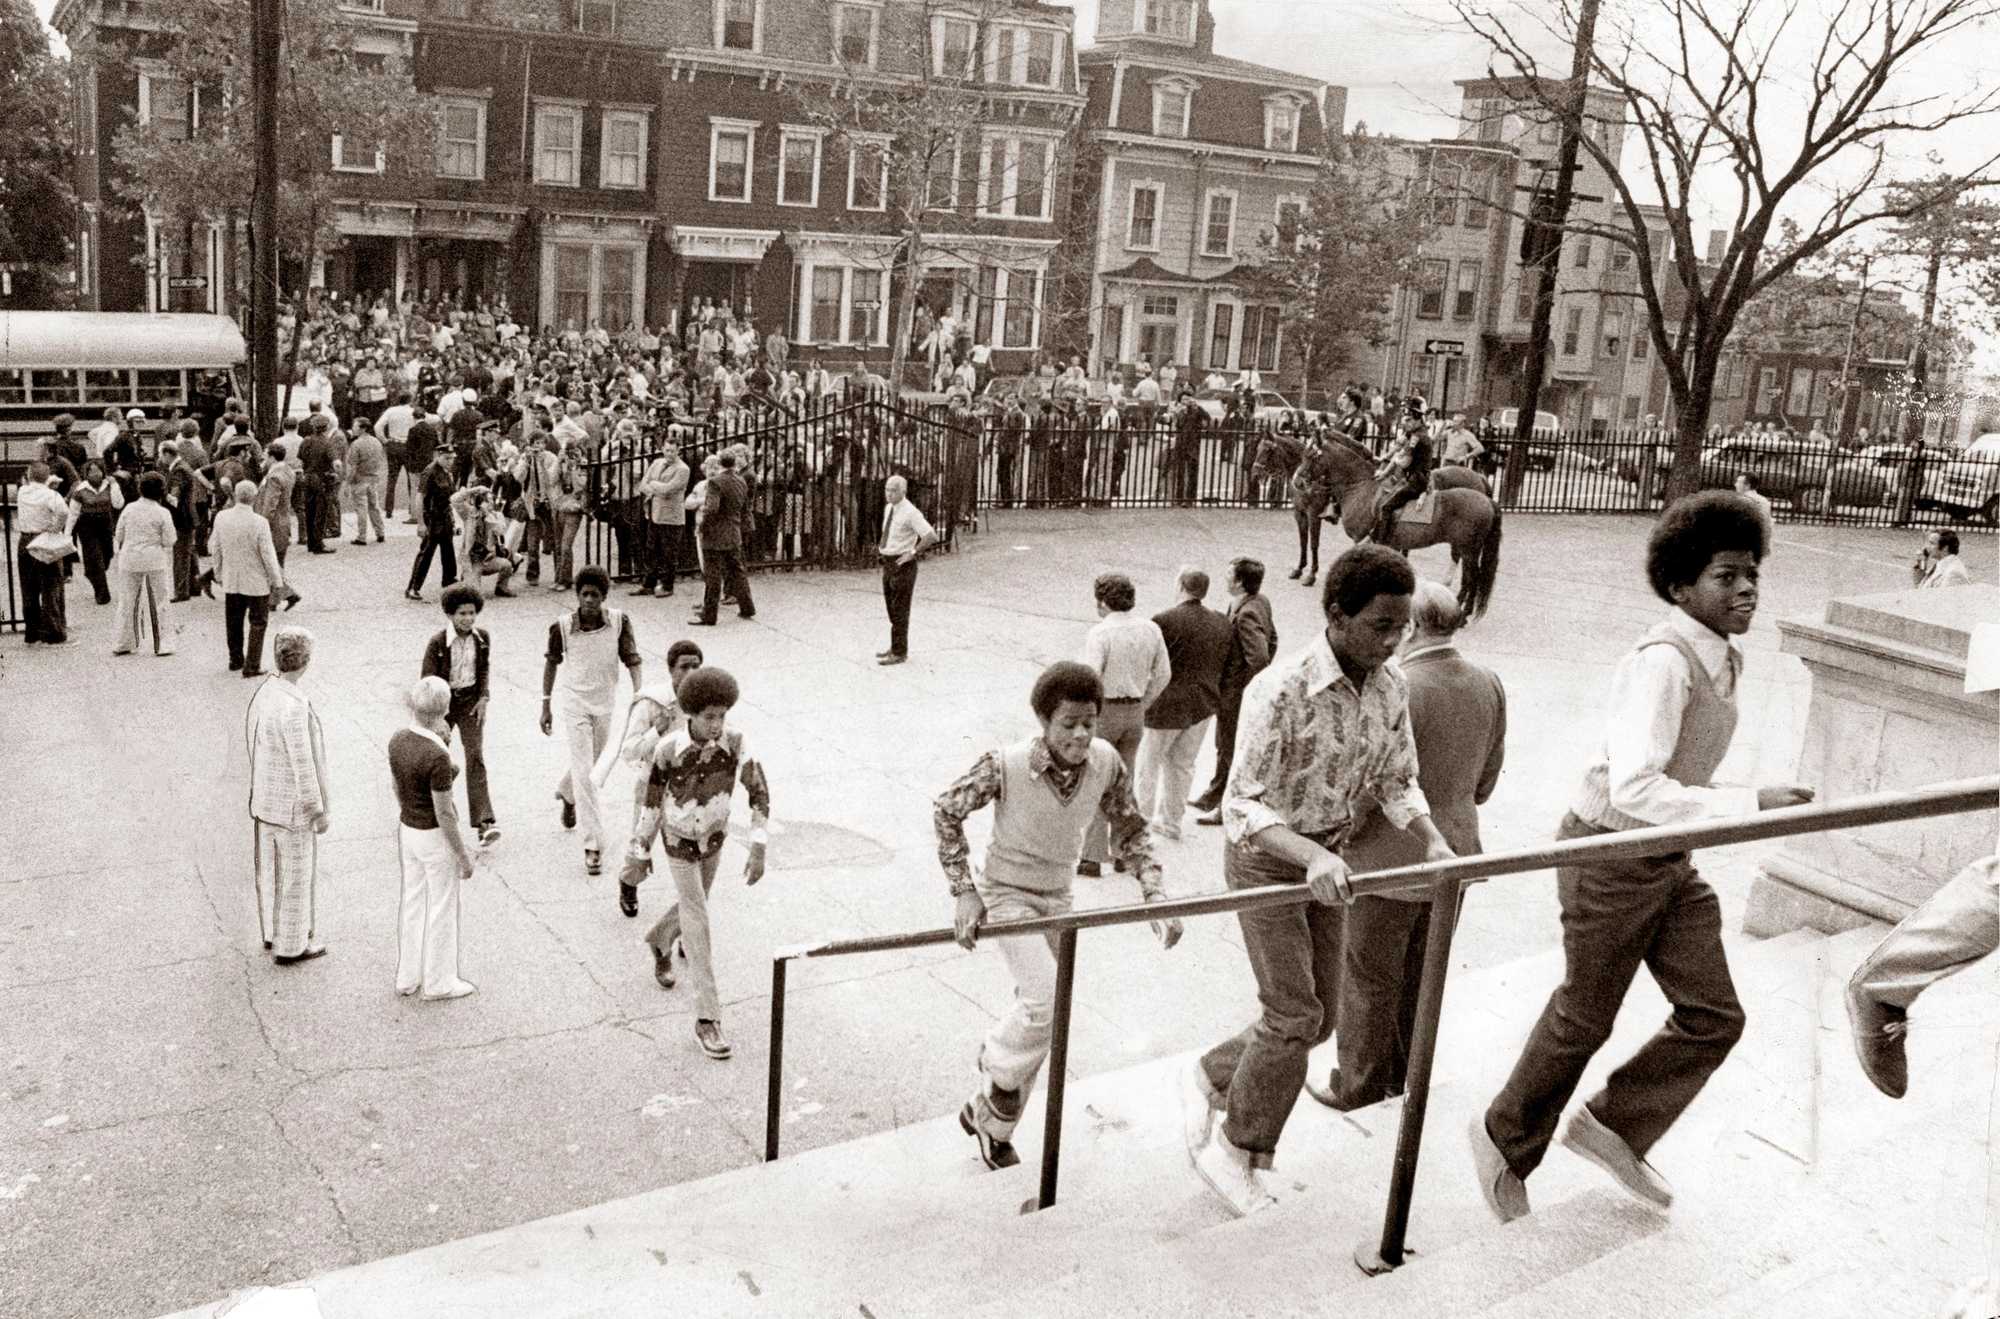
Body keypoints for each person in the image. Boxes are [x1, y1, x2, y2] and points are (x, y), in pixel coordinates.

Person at [1472, 493, 1815, 1224]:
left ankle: (1614, 1125)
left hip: (1663, 855)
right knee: (1585, 1014)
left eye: (1752, 574)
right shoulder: (1664, 661)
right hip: (1610, 855)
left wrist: (1748, 797)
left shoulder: (1721, 657)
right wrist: (1751, 803)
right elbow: (1634, 784)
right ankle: (1502, 1138)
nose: (1747, 588)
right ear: (1682, 586)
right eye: (1727, 576)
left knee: (1714, 1013)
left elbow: (1674, 780)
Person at [1183, 546, 1456, 1216]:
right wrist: (1308, 855)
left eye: (1402, 629)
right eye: (1380, 626)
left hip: (1330, 859)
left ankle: (1218, 1073)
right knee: (1294, 1012)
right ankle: (1236, 1148)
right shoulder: (1279, 689)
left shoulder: (1392, 686)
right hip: (1267, 857)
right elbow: (1241, 806)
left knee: (1324, 1016)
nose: (1393, 642)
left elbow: (1398, 779)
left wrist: (1433, 838)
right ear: (1336, 615)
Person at [935, 661, 1184, 1170]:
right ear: (1044, 722)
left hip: (1057, 898)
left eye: (1089, 722)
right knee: (1046, 1001)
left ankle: (992, 1124)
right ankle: (995, 1061)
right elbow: (946, 810)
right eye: (1067, 723)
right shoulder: (1004, 764)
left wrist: (1154, 893)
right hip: (1006, 894)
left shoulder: (1106, 762)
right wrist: (964, 891)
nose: (1080, 734)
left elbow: (1131, 829)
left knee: (1049, 1013)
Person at [1307, 580, 1506, 1111]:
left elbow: (1371, 782)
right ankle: (1403, 1077)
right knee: (1423, 977)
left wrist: (1339, 833)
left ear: (1412, 625)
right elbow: (1487, 780)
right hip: (1456, 854)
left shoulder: (1396, 687)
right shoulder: (1488, 682)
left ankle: (1357, 1084)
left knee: (1368, 979)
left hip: (1387, 860)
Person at [623, 666, 771, 1061]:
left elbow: (759, 792)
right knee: (698, 920)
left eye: (722, 715)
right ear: (689, 714)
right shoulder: (668, 750)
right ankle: (707, 1018)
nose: (717, 724)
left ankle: (659, 938)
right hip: (678, 841)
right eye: (709, 717)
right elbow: (651, 803)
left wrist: (758, 846)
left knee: (696, 907)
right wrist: (639, 853)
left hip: (715, 841)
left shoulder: (737, 743)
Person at [543, 566, 644, 876]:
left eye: (595, 595)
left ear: (603, 597)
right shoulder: (561, 627)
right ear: (577, 596)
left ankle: (567, 791)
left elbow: (632, 660)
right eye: (584, 594)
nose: (589, 600)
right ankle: (593, 845)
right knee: (587, 773)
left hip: (605, 704)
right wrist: (545, 704)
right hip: (575, 704)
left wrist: (641, 696)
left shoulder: (619, 622)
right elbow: (551, 664)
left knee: (596, 762)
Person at [390, 675, 480, 1001]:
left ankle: (407, 975)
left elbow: (398, 788)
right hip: (432, 835)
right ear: (443, 711)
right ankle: (440, 981)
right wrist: (463, 856)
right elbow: (446, 813)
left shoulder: (398, 740)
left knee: (412, 902)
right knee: (442, 907)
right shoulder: (437, 756)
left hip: (408, 829)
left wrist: (409, 813)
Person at [246, 627, 331, 965]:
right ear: (306, 661)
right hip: (292, 807)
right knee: (296, 875)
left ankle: (270, 932)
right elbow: (304, 762)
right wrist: (318, 809)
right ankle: (292, 944)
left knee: (268, 870)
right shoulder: (295, 705)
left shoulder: (265, 692)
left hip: (265, 799)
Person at [605, 638, 705, 920]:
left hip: (690, 790)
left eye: (696, 666)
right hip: (653, 788)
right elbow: (629, 751)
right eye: (684, 666)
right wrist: (656, 731)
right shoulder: (652, 703)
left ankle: (688, 920)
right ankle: (629, 881)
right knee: (641, 845)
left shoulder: (703, 702)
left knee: (691, 855)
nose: (691, 672)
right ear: (671, 669)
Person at [1077, 573, 1170, 876]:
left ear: (1103, 602)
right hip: (1134, 711)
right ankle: (1123, 850)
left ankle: (1092, 855)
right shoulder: (1151, 629)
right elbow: (1163, 673)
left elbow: (1090, 678)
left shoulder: (1100, 634)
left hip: (1106, 712)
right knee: (1124, 783)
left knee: (1096, 778)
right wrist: (1143, 703)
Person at [1133, 567, 1233, 841]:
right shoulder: (1222, 622)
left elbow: (1150, 664)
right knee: (1183, 765)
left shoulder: (1163, 620)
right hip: (1202, 704)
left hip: (1165, 706)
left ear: (1180, 586)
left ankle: (1141, 824)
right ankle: (1171, 822)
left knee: (1148, 765)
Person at [1191, 557, 1277, 824]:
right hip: (1234, 690)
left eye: (1229, 575)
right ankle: (1213, 794)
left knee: (1229, 747)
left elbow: (1259, 657)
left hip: (1235, 693)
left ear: (1239, 582)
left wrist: (1243, 687)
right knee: (1224, 743)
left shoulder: (1247, 611)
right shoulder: (1259, 601)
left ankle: (1224, 806)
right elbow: (1272, 639)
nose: (1225, 578)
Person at [421, 584, 501, 847]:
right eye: (462, 614)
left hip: (470, 703)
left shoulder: (483, 638)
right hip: (443, 706)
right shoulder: (437, 643)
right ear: (450, 615)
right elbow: (428, 680)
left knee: (475, 756)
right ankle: (431, 814)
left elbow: (484, 669)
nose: (468, 618)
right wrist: (437, 717)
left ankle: (484, 823)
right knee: (438, 759)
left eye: (472, 613)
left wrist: (484, 697)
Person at [210, 480, 288, 677]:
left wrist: (218, 573)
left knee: (233, 621)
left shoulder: (221, 518)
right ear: (254, 498)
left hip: (232, 578)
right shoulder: (259, 522)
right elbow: (268, 555)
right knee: (258, 622)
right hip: (256, 581)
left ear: (236, 495)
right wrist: (276, 581)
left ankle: (235, 659)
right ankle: (252, 665)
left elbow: (215, 548)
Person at [112, 471, 179, 657]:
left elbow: (118, 535)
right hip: (154, 559)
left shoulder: (128, 509)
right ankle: (163, 644)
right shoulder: (162, 512)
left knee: (127, 600)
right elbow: (169, 540)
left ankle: (123, 642)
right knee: (160, 601)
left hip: (129, 559)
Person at [877, 474, 939, 666]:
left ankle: (899, 651)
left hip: (902, 563)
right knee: (891, 607)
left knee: (900, 609)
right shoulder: (889, 508)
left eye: (893, 490)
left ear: (903, 491)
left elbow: (930, 535)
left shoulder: (911, 512)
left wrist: (913, 552)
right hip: (888, 561)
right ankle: (895, 645)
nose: (889, 493)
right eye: (887, 489)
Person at [690, 451, 756, 626]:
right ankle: (747, 606)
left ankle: (709, 614)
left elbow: (712, 508)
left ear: (719, 463)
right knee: (737, 571)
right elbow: (743, 507)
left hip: (715, 534)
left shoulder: (715, 482)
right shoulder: (740, 480)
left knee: (713, 575)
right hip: (733, 532)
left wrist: (703, 526)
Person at [15, 463, 72, 646]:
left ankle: (32, 631)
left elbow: (29, 483)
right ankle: (53, 631)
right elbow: (63, 511)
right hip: (44, 537)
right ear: (47, 477)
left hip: (25, 540)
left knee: (29, 587)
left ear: (29, 475)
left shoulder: (22, 492)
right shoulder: (51, 495)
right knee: (51, 584)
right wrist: (55, 528)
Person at [632, 432, 689, 598]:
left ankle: (667, 585)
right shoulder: (656, 463)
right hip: (655, 514)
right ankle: (649, 583)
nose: (669, 454)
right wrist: (656, 488)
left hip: (671, 517)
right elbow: (643, 484)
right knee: (651, 550)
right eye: (666, 450)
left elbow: (668, 490)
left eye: (672, 451)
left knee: (669, 553)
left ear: (679, 451)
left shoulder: (683, 469)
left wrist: (654, 485)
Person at [1370, 399, 1435, 542]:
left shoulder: (1417, 437)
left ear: (1418, 419)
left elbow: (1405, 462)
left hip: (1416, 481)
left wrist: (1391, 464)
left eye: (1409, 419)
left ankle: (1381, 542)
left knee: (1386, 507)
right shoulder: (1414, 432)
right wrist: (1386, 463)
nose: (1405, 422)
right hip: (1412, 477)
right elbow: (1397, 449)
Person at [406, 442, 459, 602]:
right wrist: (421, 523)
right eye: (446, 458)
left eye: (452, 458)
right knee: (426, 553)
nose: (450, 461)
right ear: (438, 456)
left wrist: (453, 519)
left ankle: (449, 580)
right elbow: (420, 497)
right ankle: (413, 587)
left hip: (445, 517)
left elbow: (450, 497)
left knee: (448, 552)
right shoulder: (429, 472)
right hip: (432, 518)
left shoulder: (447, 472)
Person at [68, 459, 123, 608]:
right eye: (91, 471)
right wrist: (68, 534)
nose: (95, 474)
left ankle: (91, 572)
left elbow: (118, 504)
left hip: (105, 526)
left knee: (108, 555)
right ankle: (102, 594)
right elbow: (73, 514)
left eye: (98, 470)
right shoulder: (80, 489)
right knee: (95, 558)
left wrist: (115, 485)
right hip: (86, 527)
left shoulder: (109, 486)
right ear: (86, 474)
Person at [297, 416, 340, 555]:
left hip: (307, 478)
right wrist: (336, 473)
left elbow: (301, 458)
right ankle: (318, 543)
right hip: (321, 479)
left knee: (309, 511)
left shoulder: (306, 441)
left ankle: (310, 542)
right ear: (326, 427)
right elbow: (335, 462)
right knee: (321, 512)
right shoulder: (327, 443)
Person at [344, 418, 388, 545]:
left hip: (360, 479)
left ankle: (362, 536)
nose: (353, 428)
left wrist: (347, 483)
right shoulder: (377, 442)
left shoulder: (356, 444)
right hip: (373, 478)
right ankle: (380, 532)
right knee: (374, 506)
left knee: (361, 508)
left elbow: (353, 467)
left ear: (362, 428)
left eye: (355, 426)